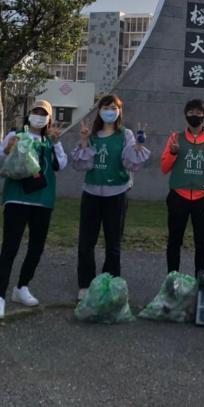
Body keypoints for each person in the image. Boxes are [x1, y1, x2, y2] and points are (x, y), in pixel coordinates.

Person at [0, 99, 67, 319]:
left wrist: (57, 143)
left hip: (43, 201)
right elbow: (1, 163)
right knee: (10, 248)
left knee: (36, 247)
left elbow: (61, 166)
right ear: (29, 114)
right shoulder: (16, 135)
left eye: (44, 113)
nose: (39, 116)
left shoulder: (50, 141)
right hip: (17, 199)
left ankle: (22, 286)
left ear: (49, 119)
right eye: (36, 111)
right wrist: (6, 149)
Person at [71, 94, 150, 300]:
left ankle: (110, 283)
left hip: (116, 194)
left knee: (113, 242)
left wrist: (138, 147)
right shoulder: (92, 134)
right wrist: (84, 141)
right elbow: (82, 165)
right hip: (91, 194)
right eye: (106, 107)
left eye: (114, 108)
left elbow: (129, 163)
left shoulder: (126, 134)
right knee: (86, 242)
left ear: (119, 111)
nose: (110, 111)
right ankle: (85, 284)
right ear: (99, 110)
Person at [161, 98, 204, 276]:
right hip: (178, 196)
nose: (194, 116)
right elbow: (164, 167)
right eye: (191, 112)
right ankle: (172, 279)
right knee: (174, 241)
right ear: (185, 115)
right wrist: (174, 152)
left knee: (202, 242)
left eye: (198, 113)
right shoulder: (176, 138)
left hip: (202, 197)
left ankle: (200, 279)